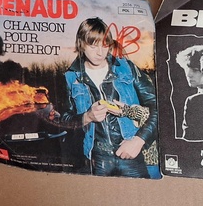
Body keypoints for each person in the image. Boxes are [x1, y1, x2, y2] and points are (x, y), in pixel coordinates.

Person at [61, 18, 158, 178]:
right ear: (81, 44)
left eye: (105, 45)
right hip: (96, 160)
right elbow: (63, 120)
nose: (100, 52)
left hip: (131, 155)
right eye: (93, 46)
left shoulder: (126, 68)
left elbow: (159, 106)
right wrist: (87, 117)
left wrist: (139, 140)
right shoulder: (71, 77)